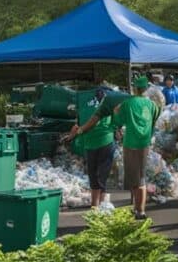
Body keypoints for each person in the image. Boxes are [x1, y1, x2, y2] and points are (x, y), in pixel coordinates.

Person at [114, 77, 160, 220]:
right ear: (146, 89)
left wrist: (116, 111)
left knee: (135, 178)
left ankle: (140, 210)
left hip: (130, 143)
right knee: (140, 176)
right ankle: (138, 208)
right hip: (144, 144)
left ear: (134, 88)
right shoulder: (152, 105)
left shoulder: (127, 103)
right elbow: (154, 120)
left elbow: (119, 121)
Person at [65, 88, 118, 210]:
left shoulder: (85, 107)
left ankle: (95, 208)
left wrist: (70, 137)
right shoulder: (109, 106)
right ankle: (101, 207)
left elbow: (77, 125)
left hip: (90, 144)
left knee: (94, 176)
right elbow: (117, 122)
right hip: (106, 142)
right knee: (102, 176)